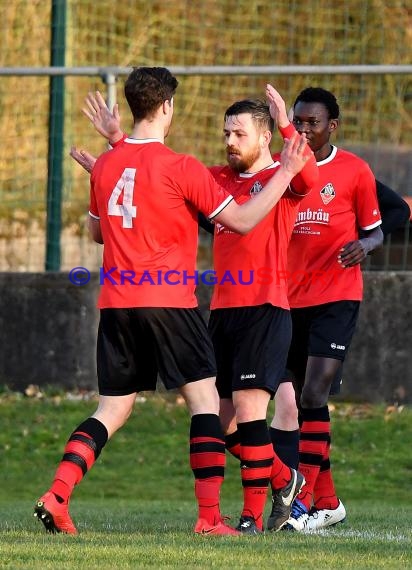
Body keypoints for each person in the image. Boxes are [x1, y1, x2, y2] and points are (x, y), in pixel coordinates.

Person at [34, 66, 310, 536]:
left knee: (112, 410)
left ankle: (57, 495)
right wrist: (284, 169)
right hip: (169, 301)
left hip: (116, 304)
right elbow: (241, 220)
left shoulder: (106, 164)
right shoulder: (182, 167)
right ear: (167, 107)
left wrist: (110, 159)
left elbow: (98, 231)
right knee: (205, 405)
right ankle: (209, 519)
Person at [265, 87, 387, 533]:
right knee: (292, 402)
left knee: (314, 395)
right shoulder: (282, 168)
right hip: (287, 300)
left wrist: (364, 245)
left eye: (312, 123)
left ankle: (300, 504)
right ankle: (328, 501)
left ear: (331, 125)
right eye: (297, 122)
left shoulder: (355, 170)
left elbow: (376, 230)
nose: (303, 130)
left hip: (337, 297)